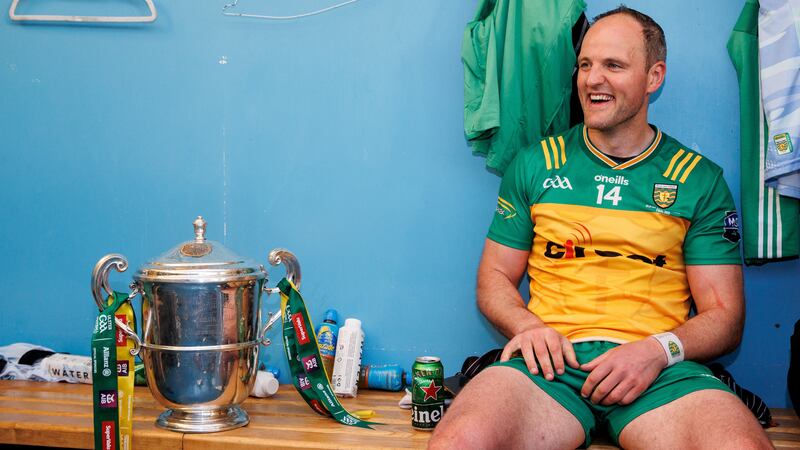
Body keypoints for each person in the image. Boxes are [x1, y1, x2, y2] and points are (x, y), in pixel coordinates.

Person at [429, 6, 772, 449]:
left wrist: (656, 350)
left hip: (658, 372)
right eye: (586, 65)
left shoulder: (697, 178)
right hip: (551, 367)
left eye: (613, 65)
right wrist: (527, 327)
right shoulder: (535, 164)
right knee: (459, 442)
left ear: (654, 76)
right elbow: (494, 279)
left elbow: (725, 318)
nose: (593, 79)